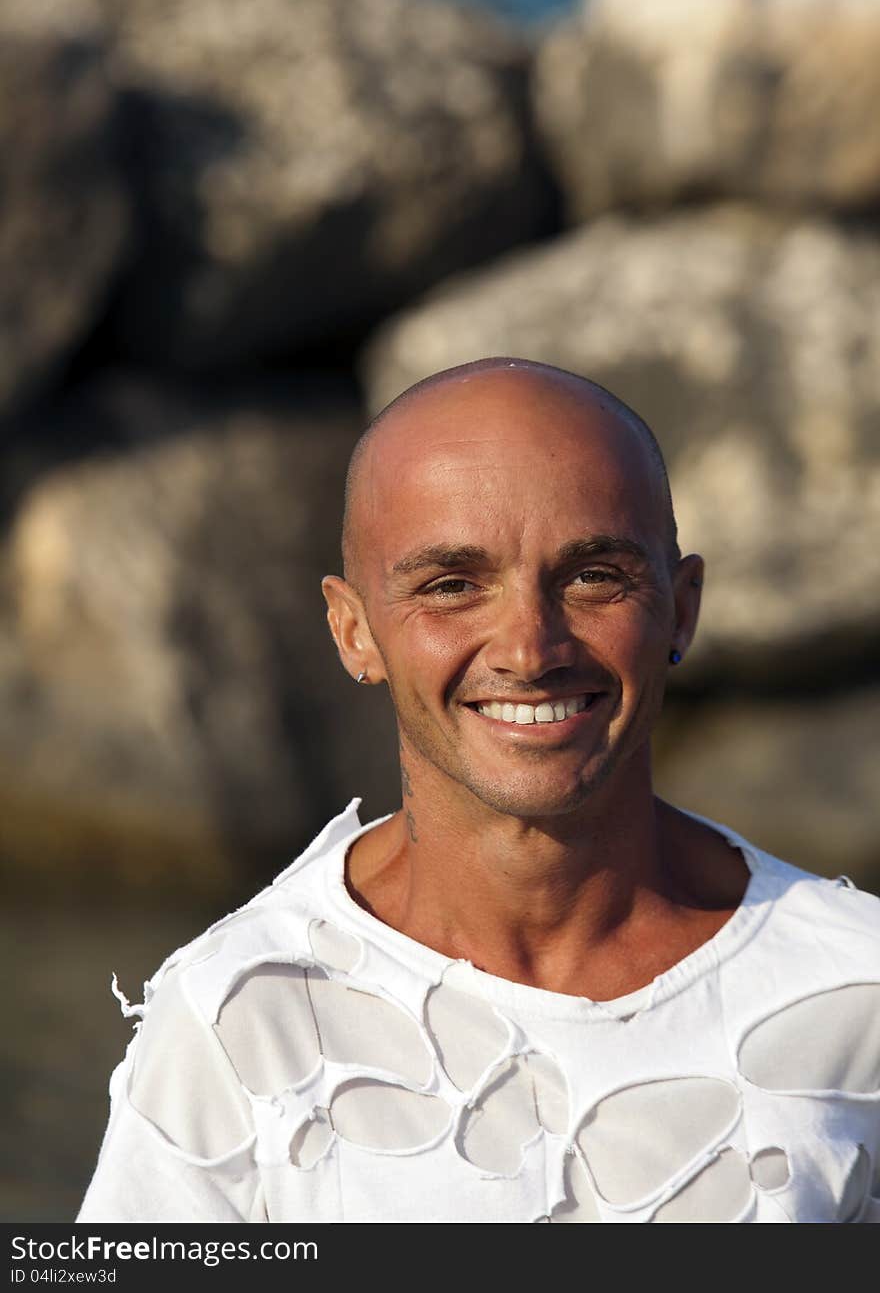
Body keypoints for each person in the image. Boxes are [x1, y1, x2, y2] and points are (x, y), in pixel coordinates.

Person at [79, 358, 879, 1224]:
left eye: (593, 576)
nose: (530, 651)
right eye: (452, 587)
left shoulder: (855, 990)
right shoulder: (244, 1020)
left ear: (681, 608)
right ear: (355, 631)